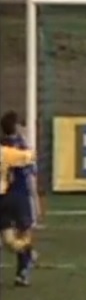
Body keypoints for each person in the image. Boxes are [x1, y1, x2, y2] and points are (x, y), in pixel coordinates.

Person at [0, 115, 37, 286]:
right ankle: (27, 252)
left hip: (15, 195)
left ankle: (23, 269)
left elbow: (29, 159)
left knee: (21, 231)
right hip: (6, 198)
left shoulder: (9, 150)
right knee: (9, 241)